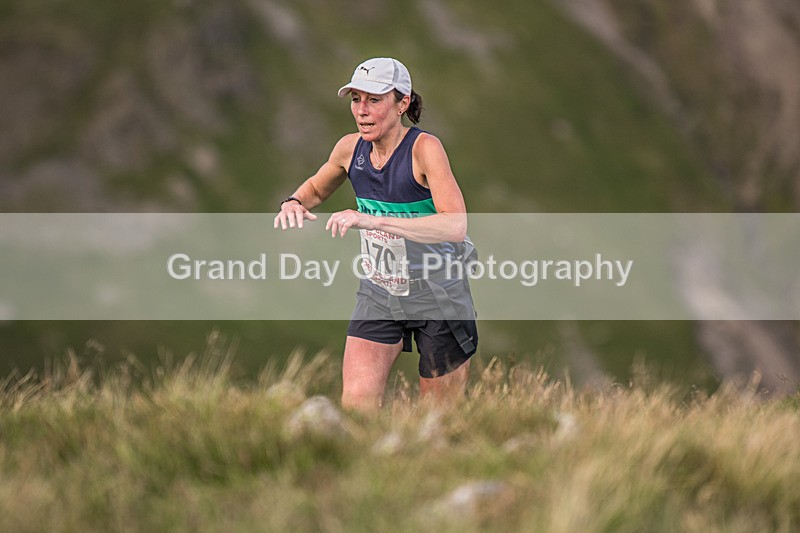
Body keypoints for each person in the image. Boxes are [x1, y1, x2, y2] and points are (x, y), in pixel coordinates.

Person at [274, 57, 477, 411]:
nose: (362, 111)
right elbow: (316, 189)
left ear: (402, 103)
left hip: (439, 293)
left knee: (440, 419)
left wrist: (374, 221)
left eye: (374, 99)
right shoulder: (350, 149)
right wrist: (293, 202)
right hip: (380, 290)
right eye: (356, 99)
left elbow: (455, 225)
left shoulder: (424, 149)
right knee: (356, 405)